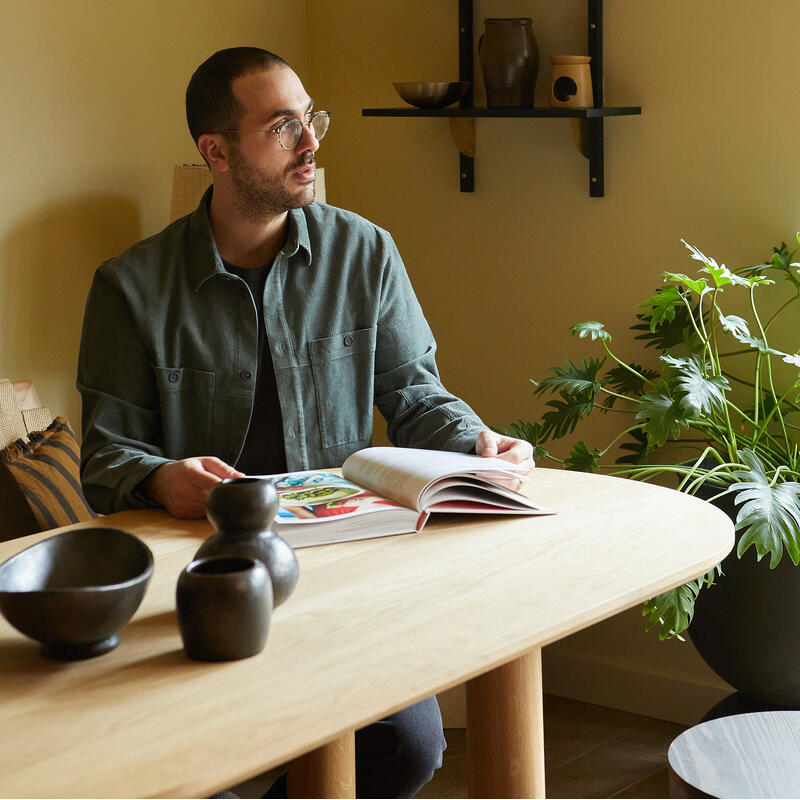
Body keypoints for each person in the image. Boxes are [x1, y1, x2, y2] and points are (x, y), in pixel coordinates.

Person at [77, 47, 533, 798]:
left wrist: (477, 442)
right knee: (194, 772)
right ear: (215, 152)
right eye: (284, 126)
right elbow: (105, 456)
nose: (312, 142)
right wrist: (162, 479)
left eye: (310, 117)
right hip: (206, 584)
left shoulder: (365, 252)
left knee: (410, 747)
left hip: (346, 569)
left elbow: (415, 393)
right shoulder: (130, 287)